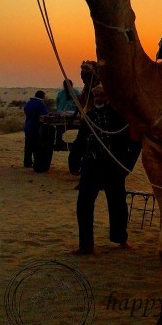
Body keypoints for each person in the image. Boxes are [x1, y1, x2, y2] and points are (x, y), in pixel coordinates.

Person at [72, 85, 136, 254]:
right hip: (91, 166)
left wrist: (127, 166)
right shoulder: (89, 117)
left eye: (102, 95)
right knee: (83, 205)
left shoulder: (120, 118)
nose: (98, 99)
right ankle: (86, 245)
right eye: (96, 96)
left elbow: (135, 143)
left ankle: (121, 239)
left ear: (109, 97)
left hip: (113, 167)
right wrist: (74, 161)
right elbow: (80, 140)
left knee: (117, 204)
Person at [23, 90, 49, 168]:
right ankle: (36, 163)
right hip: (36, 127)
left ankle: (27, 163)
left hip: (28, 126)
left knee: (28, 146)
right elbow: (44, 115)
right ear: (41, 96)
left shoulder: (28, 103)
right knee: (36, 146)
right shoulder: (40, 103)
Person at [55, 79, 81, 148]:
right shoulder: (76, 92)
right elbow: (80, 104)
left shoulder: (60, 93)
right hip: (73, 113)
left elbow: (57, 104)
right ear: (72, 84)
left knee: (59, 128)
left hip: (61, 113)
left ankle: (58, 140)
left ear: (63, 85)